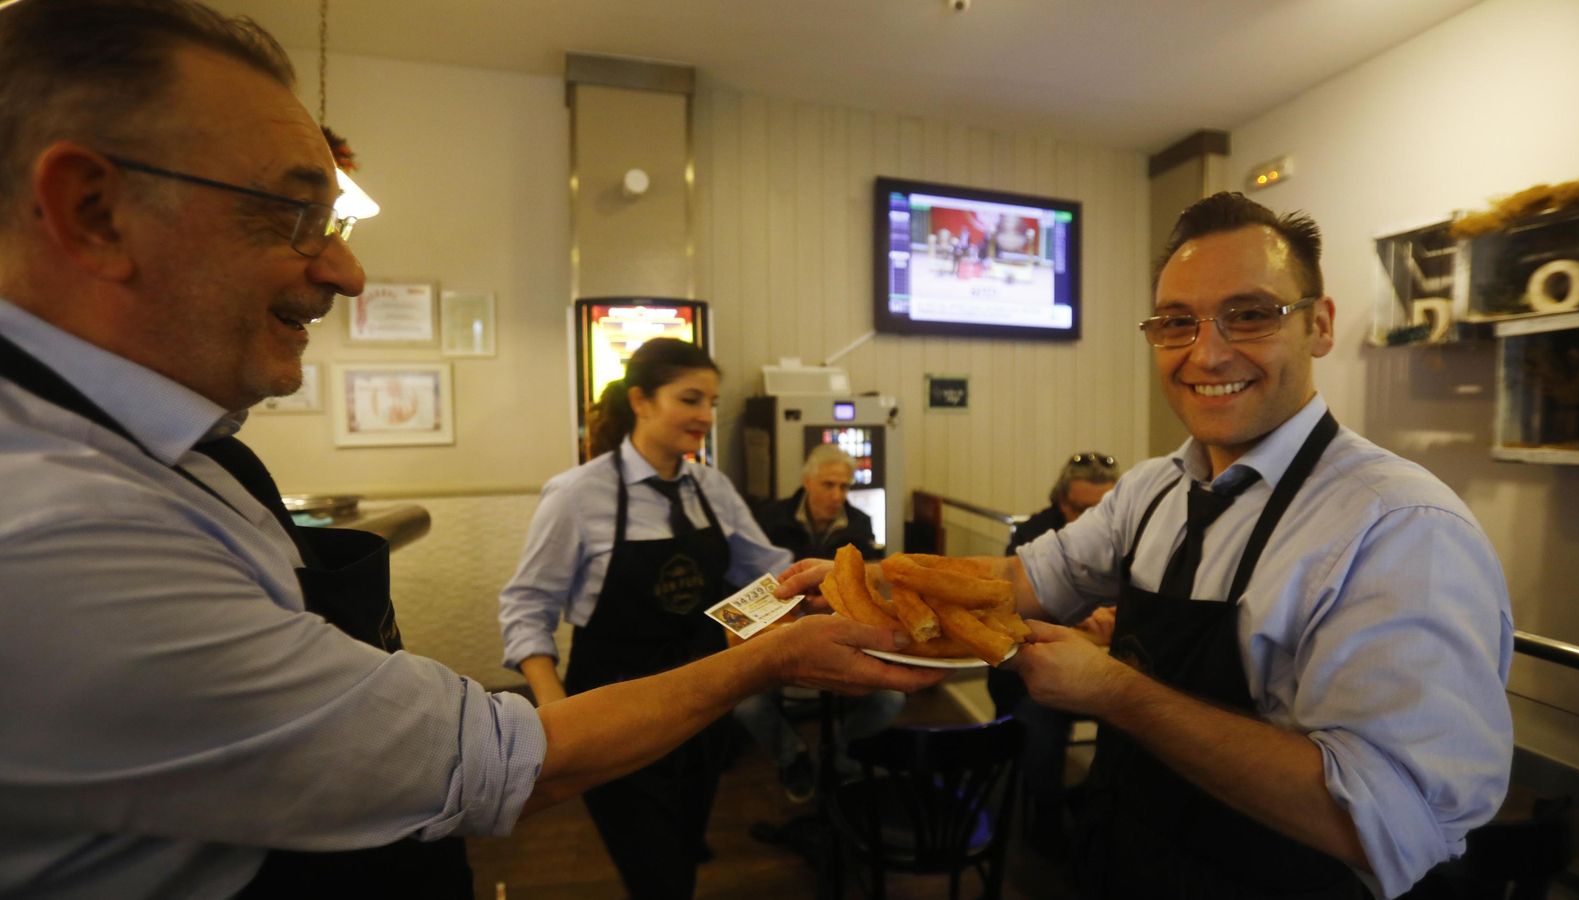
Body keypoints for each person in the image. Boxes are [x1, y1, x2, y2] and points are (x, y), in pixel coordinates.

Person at [0, 3, 943, 897]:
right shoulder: (55, 532)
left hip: (667, 717)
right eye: (291, 215)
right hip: (592, 714)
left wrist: (816, 586)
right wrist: (743, 666)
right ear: (92, 210)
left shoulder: (185, 455)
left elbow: (759, 573)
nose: (346, 271)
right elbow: (494, 740)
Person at [779, 192, 1514, 899]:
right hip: (1122, 856)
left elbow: (1384, 822)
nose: (1207, 353)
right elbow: (1026, 576)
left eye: (1250, 315)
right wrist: (868, 579)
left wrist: (1117, 693)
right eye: (1175, 322)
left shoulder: (1401, 528)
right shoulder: (1154, 488)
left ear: (1318, 325)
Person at [499, 337, 840, 899]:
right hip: (612, 702)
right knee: (652, 866)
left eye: (712, 401)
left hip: (702, 694)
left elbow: (770, 571)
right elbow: (526, 606)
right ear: (641, 400)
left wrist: (841, 585)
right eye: (690, 399)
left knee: (684, 835)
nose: (706, 416)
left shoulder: (711, 488)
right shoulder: (577, 495)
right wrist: (555, 715)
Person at [744, 444, 905, 801]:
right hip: (779, 630)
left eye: (845, 487)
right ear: (807, 482)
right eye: (829, 485)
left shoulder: (859, 524)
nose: (838, 495)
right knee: (746, 704)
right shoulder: (770, 517)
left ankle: (843, 756)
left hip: (839, 629)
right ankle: (792, 755)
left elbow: (869, 590)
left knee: (891, 700)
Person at [987, 450, 1122, 856]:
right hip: (1030, 671)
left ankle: (1097, 805)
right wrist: (1081, 611)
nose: (1089, 518)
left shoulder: (1126, 534)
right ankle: (1046, 819)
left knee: (1140, 718)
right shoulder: (1034, 534)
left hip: (1102, 667)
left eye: (1102, 508)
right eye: (1080, 508)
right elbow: (1010, 607)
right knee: (1041, 717)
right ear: (1060, 500)